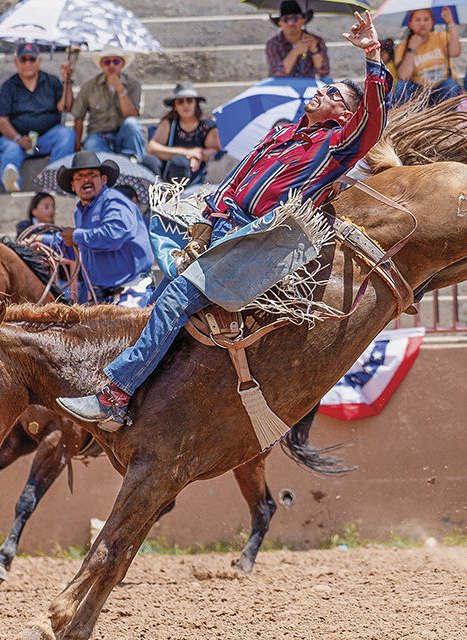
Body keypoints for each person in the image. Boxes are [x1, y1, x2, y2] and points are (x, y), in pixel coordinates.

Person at [57, 11, 390, 429]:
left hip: (259, 241)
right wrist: (208, 217)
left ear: (344, 114)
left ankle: (112, 397)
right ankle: (149, 388)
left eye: (334, 93)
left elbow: (373, 120)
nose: (322, 91)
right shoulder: (284, 132)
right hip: (223, 224)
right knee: (163, 290)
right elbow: (237, 177)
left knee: (176, 298)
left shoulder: (338, 144)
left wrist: (373, 53)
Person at [55, 151, 155, 307]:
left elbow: (113, 235)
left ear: (103, 179)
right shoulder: (79, 212)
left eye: (92, 174)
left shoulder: (114, 201)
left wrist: (75, 236)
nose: (86, 179)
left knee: (126, 329)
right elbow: (84, 243)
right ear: (73, 186)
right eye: (79, 177)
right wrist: (43, 240)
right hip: (99, 295)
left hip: (131, 289)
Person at [0, 42, 75, 192]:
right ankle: (12, 181)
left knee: (67, 134)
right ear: (16, 62)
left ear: (39, 61)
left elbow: (65, 107)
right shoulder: (9, 86)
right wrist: (18, 138)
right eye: (23, 59)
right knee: (9, 148)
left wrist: (67, 81)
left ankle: (55, 180)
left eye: (32, 59)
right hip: (18, 140)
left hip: (44, 140)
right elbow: (1, 119)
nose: (28, 63)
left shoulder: (52, 82)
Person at [140, 83, 222, 187]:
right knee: (149, 161)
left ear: (196, 103)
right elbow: (152, 147)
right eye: (180, 101)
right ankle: (155, 194)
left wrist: (198, 156)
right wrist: (188, 153)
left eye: (189, 100)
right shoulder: (169, 123)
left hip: (193, 173)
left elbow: (216, 151)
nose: (185, 105)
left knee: (179, 162)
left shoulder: (206, 126)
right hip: (166, 171)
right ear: (175, 106)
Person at [72, 50, 144, 160]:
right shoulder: (89, 86)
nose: (111, 65)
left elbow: (131, 114)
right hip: (98, 135)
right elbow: (78, 117)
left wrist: (120, 89)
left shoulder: (133, 85)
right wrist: (76, 145)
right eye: (107, 62)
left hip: (123, 134)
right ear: (101, 65)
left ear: (122, 64)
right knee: (92, 147)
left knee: (132, 124)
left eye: (116, 61)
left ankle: (135, 164)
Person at [393, 8, 461, 104]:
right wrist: (411, 49)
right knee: (401, 86)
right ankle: (403, 117)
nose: (422, 24)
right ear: (410, 23)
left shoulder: (440, 37)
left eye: (426, 19)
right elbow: (403, 76)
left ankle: (448, 115)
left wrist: (450, 23)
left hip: (441, 87)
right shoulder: (403, 46)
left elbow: (455, 52)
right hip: (419, 91)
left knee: (450, 84)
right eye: (417, 20)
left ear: (432, 22)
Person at [265, 0, 330, 79]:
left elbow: (324, 72)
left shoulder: (317, 41)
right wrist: (295, 52)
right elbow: (277, 73)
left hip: (309, 85)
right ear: (280, 23)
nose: (291, 23)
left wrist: (314, 50)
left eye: (295, 18)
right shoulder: (273, 43)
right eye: (286, 19)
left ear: (303, 20)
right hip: (282, 86)